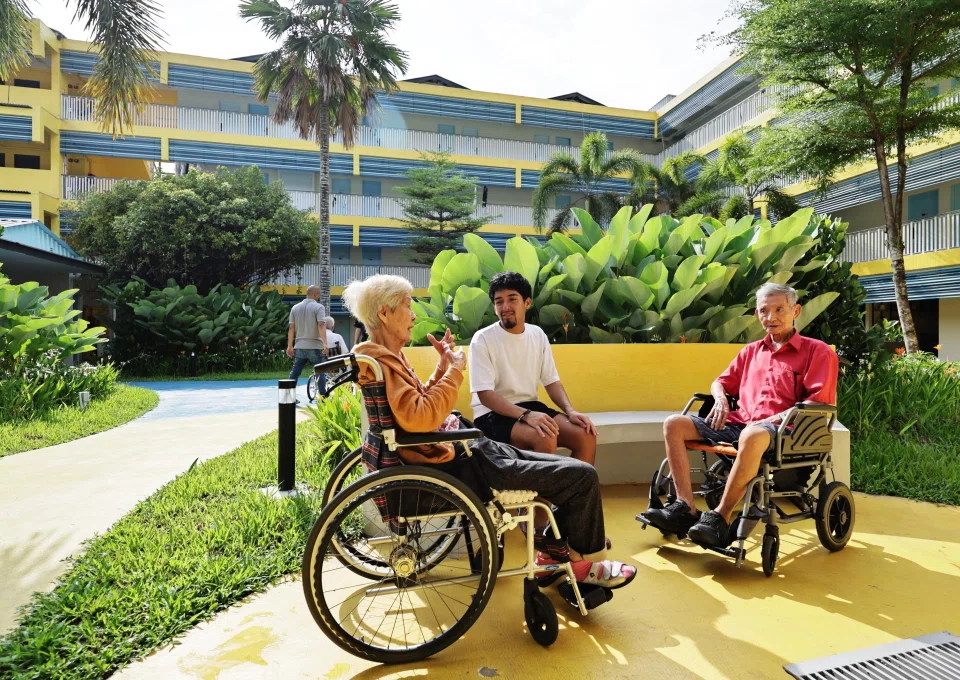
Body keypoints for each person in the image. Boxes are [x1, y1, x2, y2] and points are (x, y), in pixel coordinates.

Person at [343, 274, 637, 590]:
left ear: (526, 303)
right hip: (467, 458)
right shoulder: (384, 359)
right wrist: (455, 370)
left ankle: (555, 547)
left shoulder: (384, 358)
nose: (414, 315)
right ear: (384, 314)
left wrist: (442, 367)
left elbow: (417, 407)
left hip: (468, 448)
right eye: (407, 306)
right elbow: (421, 417)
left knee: (570, 466)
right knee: (582, 477)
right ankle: (582, 561)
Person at [641, 282, 840, 548]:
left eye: (779, 309)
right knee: (673, 424)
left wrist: (773, 419)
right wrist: (721, 399)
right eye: (764, 311)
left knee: (752, 433)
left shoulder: (818, 351)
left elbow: (818, 401)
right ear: (757, 314)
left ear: (796, 311)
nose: (770, 317)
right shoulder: (750, 351)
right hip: (742, 423)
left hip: (786, 431)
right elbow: (720, 382)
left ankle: (720, 518)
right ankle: (685, 507)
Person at [469, 271, 599, 464]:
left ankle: (570, 485)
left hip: (530, 407)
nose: (505, 307)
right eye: (499, 302)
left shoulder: (537, 334)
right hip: (491, 414)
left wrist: (570, 411)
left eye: (512, 299)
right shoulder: (483, 339)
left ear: (527, 303)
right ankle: (544, 485)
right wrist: (526, 416)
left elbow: (552, 382)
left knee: (586, 436)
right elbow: (485, 395)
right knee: (544, 436)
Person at [286, 286, 329, 390]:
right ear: (315, 294)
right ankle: (323, 396)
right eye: (318, 294)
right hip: (315, 345)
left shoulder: (295, 308)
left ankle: (288, 394)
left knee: (295, 371)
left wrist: (290, 346)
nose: (319, 296)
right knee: (320, 371)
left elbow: (291, 328)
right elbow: (321, 325)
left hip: (299, 345)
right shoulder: (319, 307)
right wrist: (325, 344)